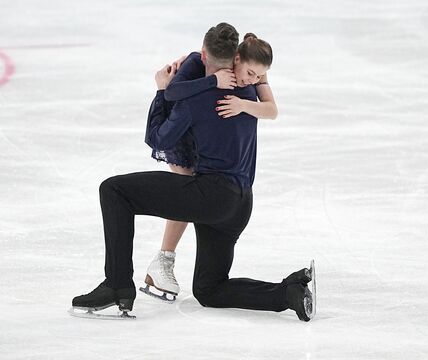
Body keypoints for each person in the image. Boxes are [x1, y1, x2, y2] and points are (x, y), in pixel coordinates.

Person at [71, 23, 315, 321]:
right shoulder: (251, 91)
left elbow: (158, 138)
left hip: (210, 196)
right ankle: (287, 293)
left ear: (203, 55)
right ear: (237, 58)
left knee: (114, 190)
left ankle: (117, 284)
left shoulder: (196, 99)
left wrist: (161, 91)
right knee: (209, 289)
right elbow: (270, 106)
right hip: (239, 204)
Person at [144, 26, 278, 300]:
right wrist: (212, 82)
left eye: (256, 75)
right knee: (184, 187)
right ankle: (163, 261)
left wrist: (246, 100)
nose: (250, 79)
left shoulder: (248, 71)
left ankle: (162, 263)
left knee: (191, 192)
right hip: (182, 123)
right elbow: (172, 94)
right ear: (236, 59)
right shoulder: (197, 61)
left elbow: (271, 109)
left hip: (206, 132)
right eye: (249, 74)